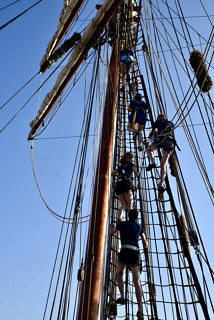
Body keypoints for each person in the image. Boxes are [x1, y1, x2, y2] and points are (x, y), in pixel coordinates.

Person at [111, 209, 148, 320]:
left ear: (128, 215)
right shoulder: (139, 227)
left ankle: (122, 296)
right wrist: (145, 246)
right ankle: (140, 309)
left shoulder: (122, 224)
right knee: (136, 281)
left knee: (119, 274)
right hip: (134, 253)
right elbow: (145, 243)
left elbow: (112, 231)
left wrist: (111, 227)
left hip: (124, 251)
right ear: (136, 218)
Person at [146, 114, 175, 196]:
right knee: (163, 164)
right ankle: (161, 184)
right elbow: (168, 130)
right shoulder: (170, 123)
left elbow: (152, 133)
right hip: (170, 142)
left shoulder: (158, 121)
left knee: (149, 149)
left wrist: (151, 135)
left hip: (161, 139)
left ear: (159, 118)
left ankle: (153, 163)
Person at [112, 152, 139, 222]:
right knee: (130, 204)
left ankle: (119, 217)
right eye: (130, 158)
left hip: (118, 184)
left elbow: (113, 173)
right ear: (127, 158)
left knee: (123, 204)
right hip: (126, 183)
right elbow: (135, 172)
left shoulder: (120, 166)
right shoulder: (131, 165)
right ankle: (131, 221)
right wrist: (137, 173)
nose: (131, 159)